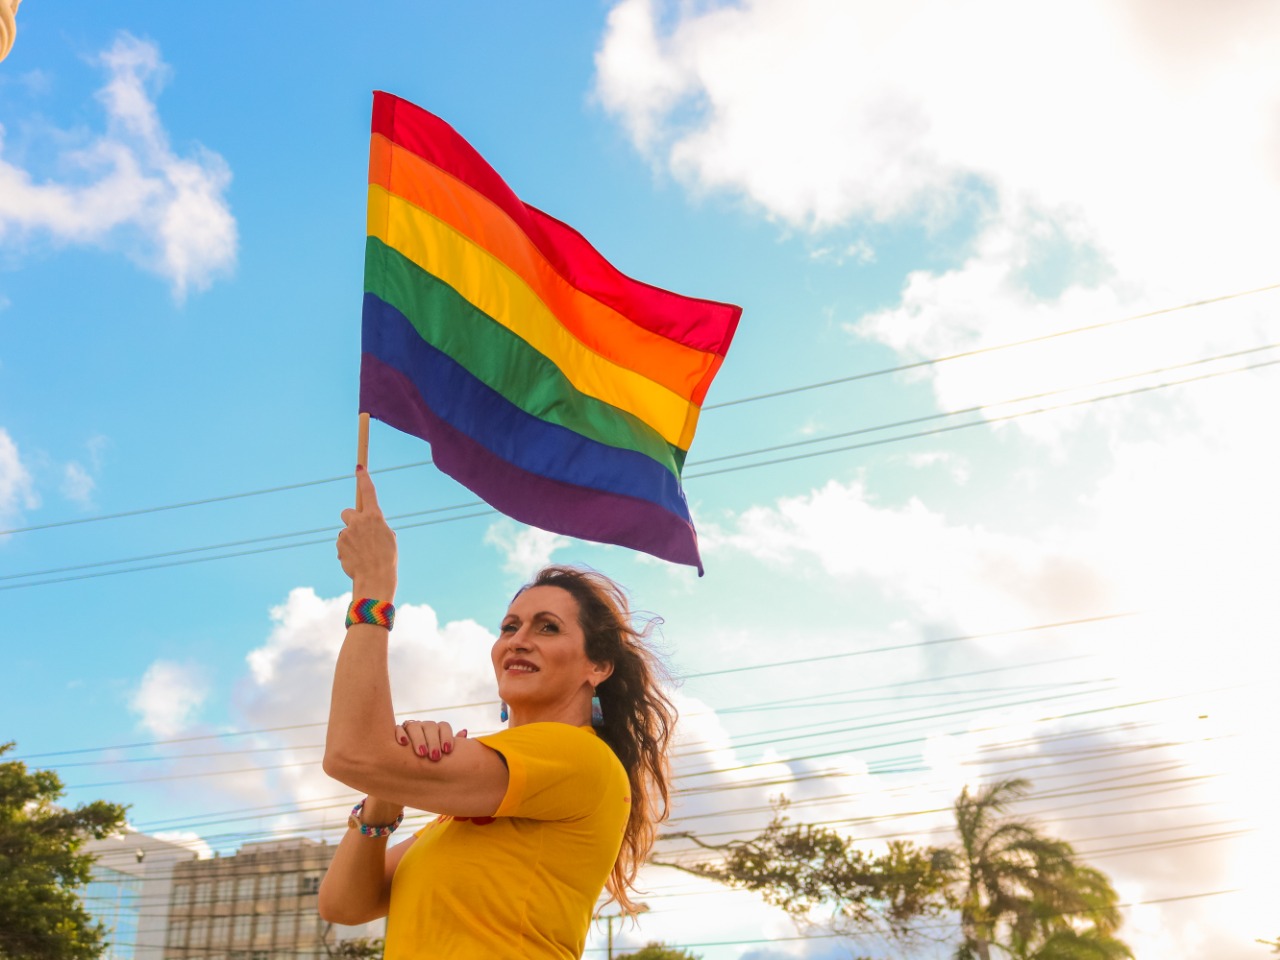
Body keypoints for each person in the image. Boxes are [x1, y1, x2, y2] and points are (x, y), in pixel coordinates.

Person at [319, 466, 676, 958]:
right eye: (509, 627)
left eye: (547, 628)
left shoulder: (576, 756)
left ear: (598, 665)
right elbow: (344, 905)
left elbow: (351, 753)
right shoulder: (468, 806)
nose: (519, 640)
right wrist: (386, 794)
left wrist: (372, 589)